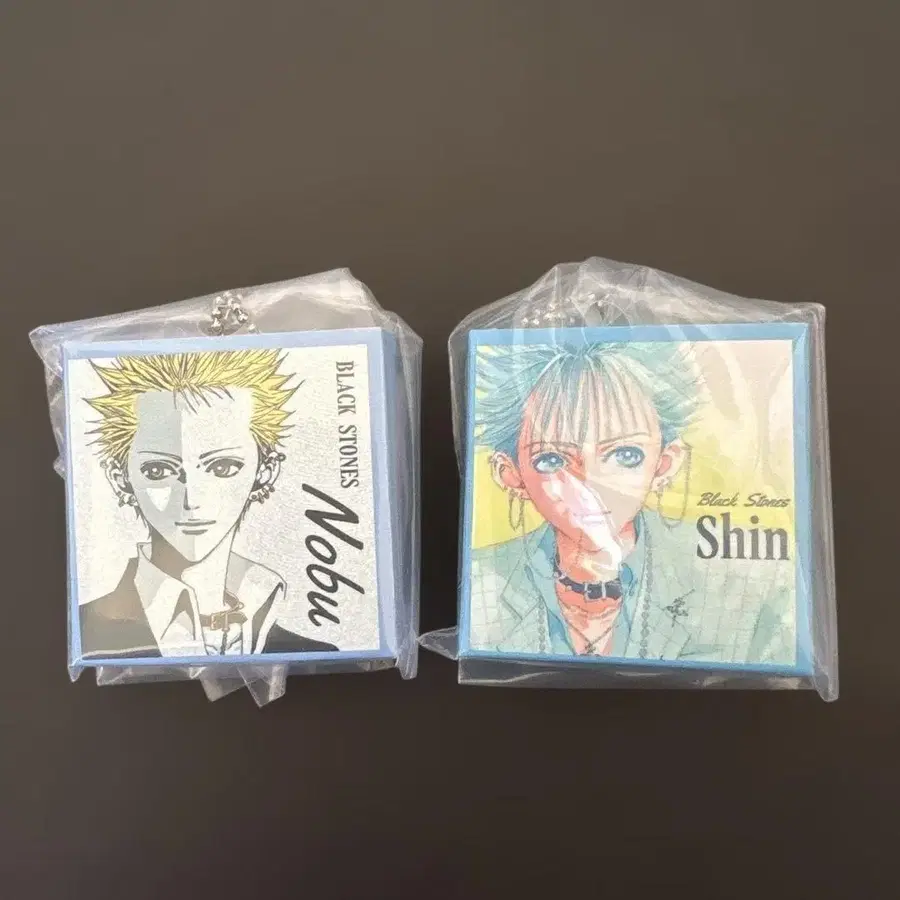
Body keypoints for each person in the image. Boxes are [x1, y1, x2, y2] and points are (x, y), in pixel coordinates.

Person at [469, 341, 795, 666]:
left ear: (665, 463)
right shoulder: (478, 582)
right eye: (552, 459)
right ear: (510, 474)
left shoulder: (753, 584)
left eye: (625, 455)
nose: (590, 484)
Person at [79, 349, 336, 660]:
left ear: (265, 471)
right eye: (158, 470)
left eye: (223, 467)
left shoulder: (314, 652)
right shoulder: (84, 635)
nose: (192, 500)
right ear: (121, 478)